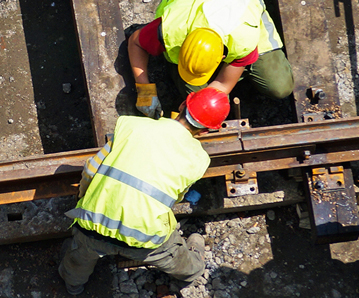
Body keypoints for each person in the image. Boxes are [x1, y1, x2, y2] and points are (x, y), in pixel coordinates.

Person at [58, 87, 230, 295]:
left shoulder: (132, 125)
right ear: (205, 131)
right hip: (144, 239)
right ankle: (193, 271)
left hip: (92, 225)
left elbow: (91, 169)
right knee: (175, 257)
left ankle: (73, 287)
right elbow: (176, 197)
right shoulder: (200, 160)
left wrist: (84, 196)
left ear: (182, 105)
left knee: (78, 258)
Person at [127, 0, 294, 119]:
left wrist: (202, 105)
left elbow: (223, 83)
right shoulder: (172, 29)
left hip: (242, 20)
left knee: (280, 87)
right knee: (207, 106)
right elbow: (136, 42)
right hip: (187, 13)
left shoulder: (244, 39)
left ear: (222, 57)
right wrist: (145, 91)